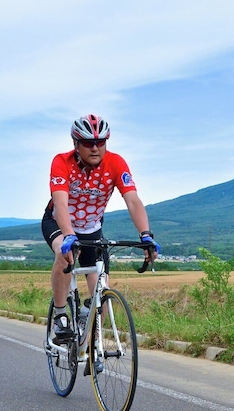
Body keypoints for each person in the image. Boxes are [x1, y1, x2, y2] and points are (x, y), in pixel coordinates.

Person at [42, 114, 159, 343]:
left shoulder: (116, 163)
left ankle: (92, 345)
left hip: (92, 229)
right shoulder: (61, 162)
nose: (95, 148)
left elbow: (133, 200)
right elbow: (61, 203)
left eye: (101, 142)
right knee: (64, 254)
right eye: (88, 143)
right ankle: (60, 315)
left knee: (101, 293)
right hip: (58, 223)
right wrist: (68, 235)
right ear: (76, 144)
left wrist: (145, 234)